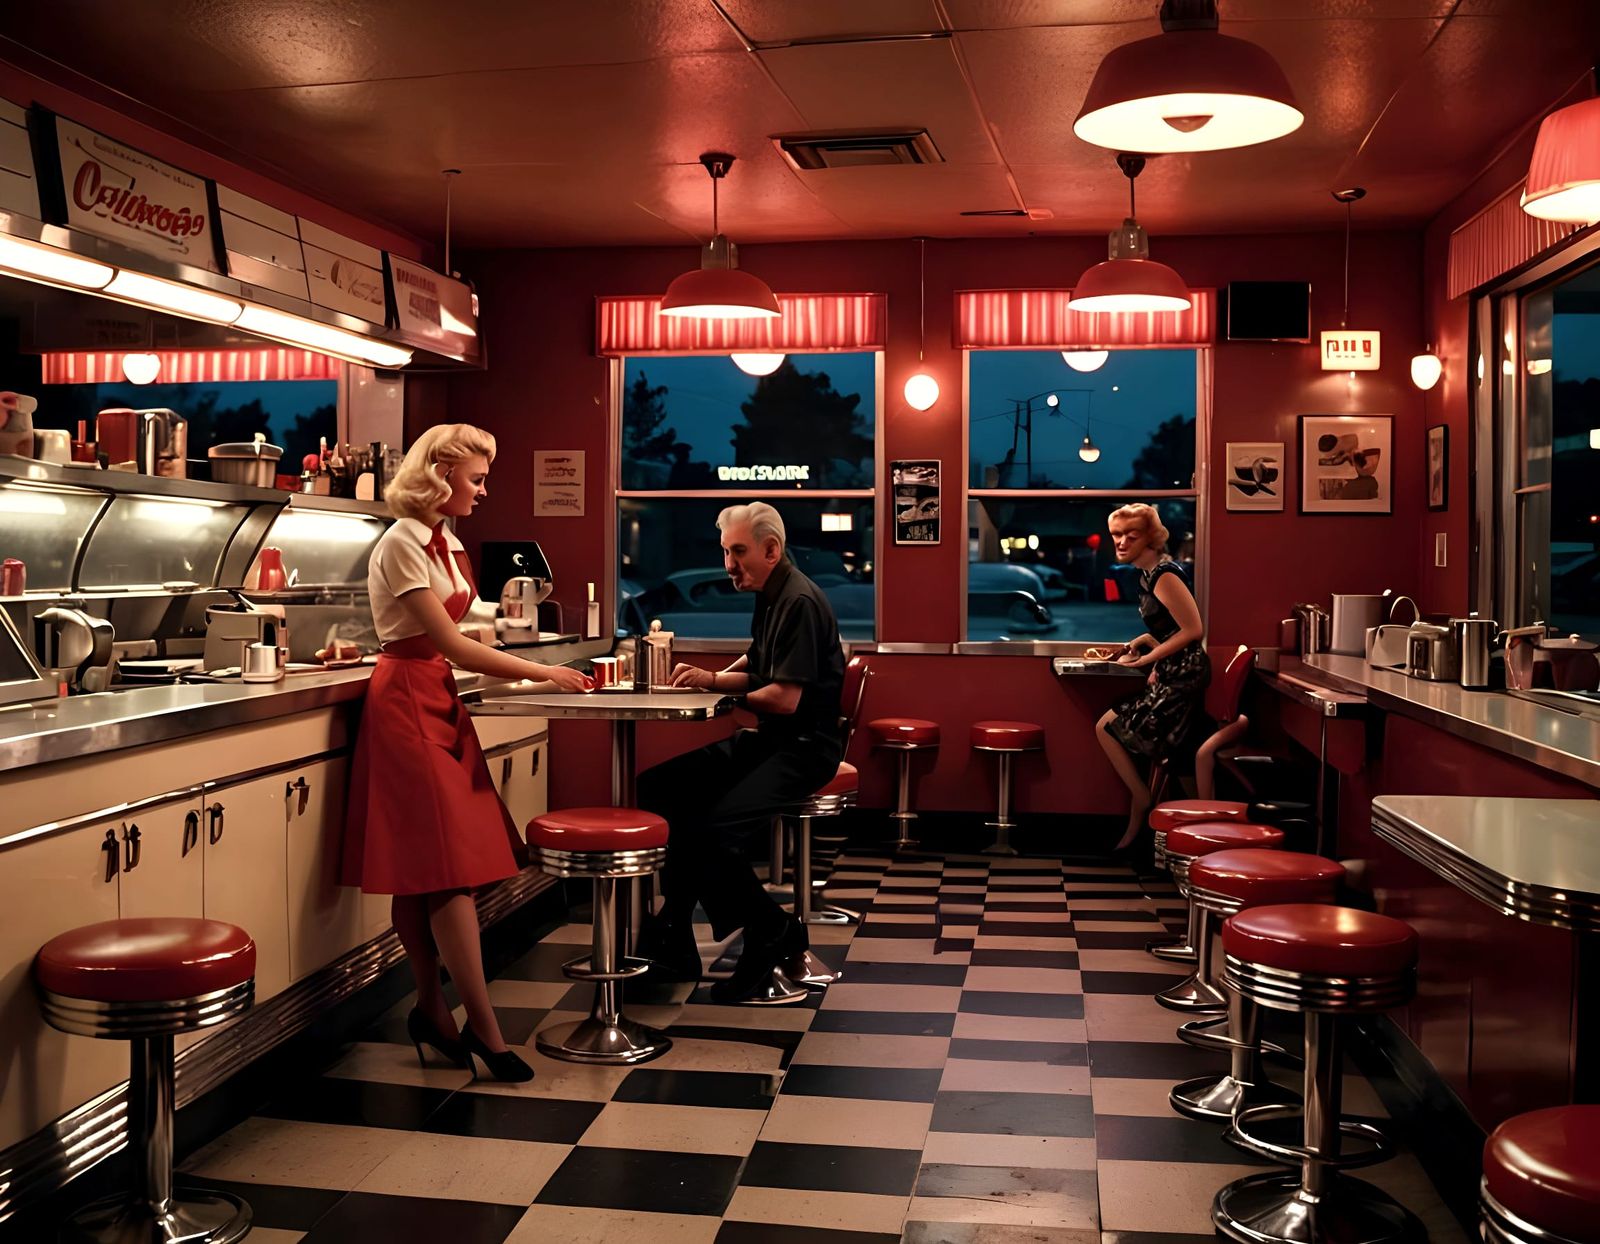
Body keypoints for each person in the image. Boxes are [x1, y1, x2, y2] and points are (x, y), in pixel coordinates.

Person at [340, 423, 592, 1081]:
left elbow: (470, 616)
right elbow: (449, 642)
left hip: (438, 701)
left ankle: (429, 1009)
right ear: (440, 476)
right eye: (476, 478)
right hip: (404, 701)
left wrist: (527, 631)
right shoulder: (399, 544)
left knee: (424, 868)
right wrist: (542, 672)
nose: (483, 491)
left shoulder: (444, 540)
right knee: (445, 871)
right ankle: (486, 1030)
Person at [636, 502, 845, 1004]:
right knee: (659, 787)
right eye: (725, 551)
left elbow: (784, 697)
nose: (728, 564)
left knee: (711, 832)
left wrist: (715, 686)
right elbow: (757, 662)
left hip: (803, 747)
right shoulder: (770, 594)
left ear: (771, 550)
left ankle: (772, 930)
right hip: (772, 738)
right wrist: (705, 679)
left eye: (739, 552)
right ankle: (676, 927)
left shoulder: (797, 600)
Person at [1095, 502, 1208, 851]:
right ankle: (1192, 827)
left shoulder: (1165, 575)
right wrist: (1145, 643)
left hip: (1186, 675)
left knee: (1106, 726)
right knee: (1180, 759)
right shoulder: (1148, 575)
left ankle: (1141, 800)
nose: (1122, 543)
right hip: (1173, 670)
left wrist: (1151, 660)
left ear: (1151, 538)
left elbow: (1193, 630)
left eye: (1132, 535)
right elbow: (1171, 628)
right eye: (1117, 535)